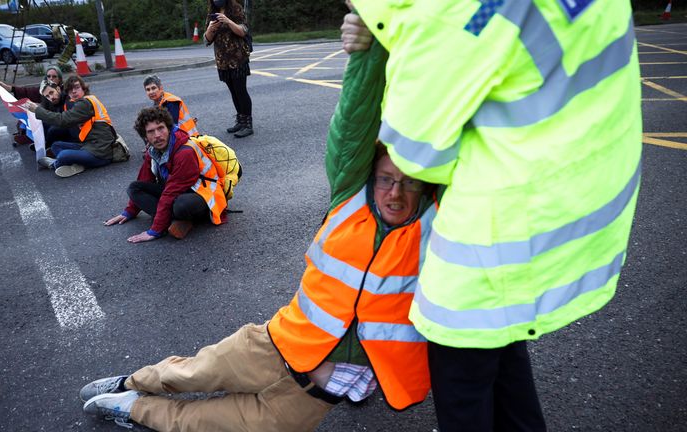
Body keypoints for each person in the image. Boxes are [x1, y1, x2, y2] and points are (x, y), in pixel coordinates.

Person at [81, 41, 436, 431]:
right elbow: (354, 124)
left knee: (198, 423)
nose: (396, 193)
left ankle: (130, 407)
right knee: (190, 375)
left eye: (410, 183)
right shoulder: (351, 199)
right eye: (386, 179)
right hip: (272, 346)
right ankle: (131, 381)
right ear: (369, 176)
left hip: (308, 400)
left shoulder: (435, 230)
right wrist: (373, 44)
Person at [342, 1, 642, 431]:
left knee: (467, 393)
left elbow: (416, 155)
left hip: (494, 242)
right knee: (508, 378)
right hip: (579, 202)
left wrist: (390, 43)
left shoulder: (450, 13)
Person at [104, 107, 226, 242]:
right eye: (151, 131)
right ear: (145, 136)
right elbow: (144, 179)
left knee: (180, 205)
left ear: (169, 128)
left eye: (161, 128)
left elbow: (171, 192)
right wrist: (130, 211)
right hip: (177, 191)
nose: (157, 135)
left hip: (204, 194)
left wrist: (155, 230)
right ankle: (175, 221)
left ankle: (177, 220)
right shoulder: (153, 150)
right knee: (134, 188)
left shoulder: (185, 151)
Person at [24, 75, 115, 178]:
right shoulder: (79, 102)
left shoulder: (85, 103)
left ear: (83, 88)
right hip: (88, 145)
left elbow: (62, 120)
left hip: (101, 152)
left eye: (76, 87)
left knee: (64, 155)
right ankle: (79, 164)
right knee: (56, 146)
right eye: (70, 90)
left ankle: (54, 164)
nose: (74, 92)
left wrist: (37, 110)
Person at [204, 0, 254, 138]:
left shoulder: (236, 9)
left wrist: (228, 21)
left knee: (240, 90)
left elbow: (243, 31)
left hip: (238, 58)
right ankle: (240, 120)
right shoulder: (212, 13)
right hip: (222, 61)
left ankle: (248, 124)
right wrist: (211, 28)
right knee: (233, 91)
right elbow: (207, 40)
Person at [0, 66, 64, 146]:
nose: (51, 78)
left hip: (57, 119)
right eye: (48, 76)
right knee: (26, 117)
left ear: (59, 79)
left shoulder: (64, 91)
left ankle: (44, 143)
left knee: (45, 125)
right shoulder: (43, 89)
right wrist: (10, 88)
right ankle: (27, 136)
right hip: (46, 115)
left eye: (54, 76)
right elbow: (28, 91)